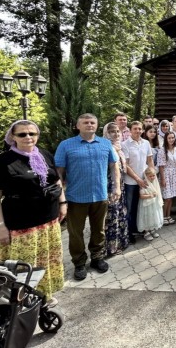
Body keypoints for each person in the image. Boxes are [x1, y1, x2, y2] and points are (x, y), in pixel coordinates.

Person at [0, 120, 66, 303]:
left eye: (32, 133)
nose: (28, 137)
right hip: (22, 225)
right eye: (22, 134)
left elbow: (56, 180)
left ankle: (44, 295)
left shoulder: (44, 154)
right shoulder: (2, 162)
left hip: (48, 221)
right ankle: (21, 302)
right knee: (25, 264)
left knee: (45, 261)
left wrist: (63, 203)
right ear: (12, 137)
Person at [55, 113, 119, 281]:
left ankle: (97, 257)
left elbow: (114, 167)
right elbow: (59, 172)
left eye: (92, 122)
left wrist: (117, 187)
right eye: (85, 122)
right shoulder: (66, 145)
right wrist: (60, 196)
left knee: (99, 229)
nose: (89, 125)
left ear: (97, 126)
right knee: (75, 233)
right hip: (76, 197)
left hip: (100, 195)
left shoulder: (105, 144)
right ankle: (79, 262)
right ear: (78, 126)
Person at [122, 121, 154, 244]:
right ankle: (130, 233)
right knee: (130, 208)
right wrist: (137, 179)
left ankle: (140, 229)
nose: (138, 131)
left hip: (145, 180)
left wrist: (151, 174)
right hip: (131, 181)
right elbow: (127, 165)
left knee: (142, 206)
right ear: (130, 130)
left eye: (140, 129)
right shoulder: (125, 144)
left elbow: (150, 159)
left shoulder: (146, 143)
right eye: (135, 129)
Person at [102, 123, 130, 257]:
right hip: (109, 186)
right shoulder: (105, 147)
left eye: (118, 131)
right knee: (111, 216)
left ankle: (120, 243)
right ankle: (109, 248)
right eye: (112, 131)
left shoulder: (119, 147)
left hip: (120, 185)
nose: (116, 134)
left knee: (119, 213)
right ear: (106, 133)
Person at [157, 131, 176, 225]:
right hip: (166, 174)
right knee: (167, 197)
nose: (171, 139)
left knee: (171, 197)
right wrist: (162, 179)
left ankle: (168, 215)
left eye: (172, 138)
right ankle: (163, 217)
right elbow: (161, 166)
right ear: (166, 139)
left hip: (174, 174)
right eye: (169, 138)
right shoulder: (162, 150)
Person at [137, 167, 164, 241]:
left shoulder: (155, 182)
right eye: (150, 176)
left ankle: (152, 229)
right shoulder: (144, 183)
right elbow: (141, 196)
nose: (152, 177)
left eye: (153, 175)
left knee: (153, 215)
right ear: (146, 176)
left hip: (153, 204)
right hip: (146, 204)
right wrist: (151, 195)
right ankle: (146, 231)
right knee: (147, 216)